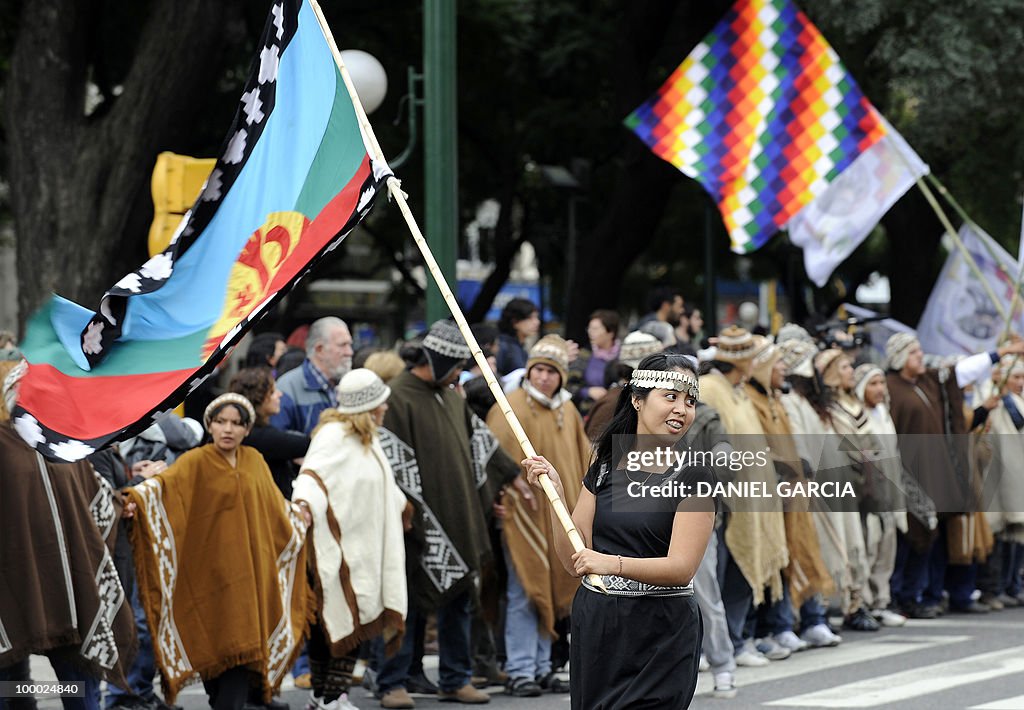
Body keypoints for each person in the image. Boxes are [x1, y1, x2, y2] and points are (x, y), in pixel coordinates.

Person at [523, 352, 715, 709]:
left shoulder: (695, 476)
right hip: (597, 623)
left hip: (661, 630)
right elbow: (575, 559)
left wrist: (612, 564)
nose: (681, 410)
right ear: (638, 400)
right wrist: (556, 496)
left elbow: (681, 568)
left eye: (690, 401)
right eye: (670, 396)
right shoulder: (606, 464)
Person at [124, 393, 313, 710]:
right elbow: (163, 490)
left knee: (242, 650)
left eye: (236, 424)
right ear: (209, 425)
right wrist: (134, 497)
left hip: (250, 579)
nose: (228, 429)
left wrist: (298, 514)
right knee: (216, 649)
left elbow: (274, 510)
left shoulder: (254, 461)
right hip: (209, 578)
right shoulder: (195, 461)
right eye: (220, 422)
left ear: (247, 429)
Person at [0, 362, 137, 710]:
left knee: (78, 687)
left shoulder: (68, 443)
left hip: (74, 591)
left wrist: (123, 504)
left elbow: (95, 500)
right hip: (15, 586)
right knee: (12, 687)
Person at [375, 321, 498, 707]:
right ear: (440, 359)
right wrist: (411, 512)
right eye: (457, 364)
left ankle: (455, 678)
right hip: (412, 521)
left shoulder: (451, 397)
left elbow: (480, 444)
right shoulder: (397, 397)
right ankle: (391, 682)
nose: (460, 373)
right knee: (406, 603)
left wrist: (513, 474)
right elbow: (392, 462)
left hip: (458, 517)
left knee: (458, 599)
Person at [293, 369, 412, 710]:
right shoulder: (333, 435)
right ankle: (327, 696)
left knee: (359, 615)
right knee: (335, 621)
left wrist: (402, 508)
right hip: (337, 548)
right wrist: (302, 506)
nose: (385, 409)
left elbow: (381, 482)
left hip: (367, 547)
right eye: (381, 404)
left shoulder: (368, 437)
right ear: (368, 406)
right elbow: (312, 478)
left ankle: (330, 696)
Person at [486, 335, 590, 697]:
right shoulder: (509, 407)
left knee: (553, 586)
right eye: (539, 370)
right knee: (524, 591)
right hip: (523, 516)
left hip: (558, 517)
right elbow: (492, 462)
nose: (544, 377)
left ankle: (543, 667)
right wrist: (500, 498)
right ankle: (519, 669)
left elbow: (582, 462)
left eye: (551, 371)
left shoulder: (569, 410)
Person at [229, 367, 310, 498]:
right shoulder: (256, 435)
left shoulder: (256, 432)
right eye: (272, 392)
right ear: (258, 399)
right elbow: (304, 444)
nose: (280, 394)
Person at [272, 317, 354, 435]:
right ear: (320, 349)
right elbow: (279, 443)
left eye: (350, 344)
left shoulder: (351, 385)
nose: (349, 352)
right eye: (342, 345)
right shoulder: (287, 388)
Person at [569, 309, 621, 415]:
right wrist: (587, 392)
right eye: (589, 328)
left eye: (596, 329)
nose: (590, 332)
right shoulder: (584, 355)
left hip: (617, 413)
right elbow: (569, 385)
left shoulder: (623, 354)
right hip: (589, 413)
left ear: (610, 332)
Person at [495, 298, 539, 376]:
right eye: (530, 318)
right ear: (515, 321)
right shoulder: (502, 346)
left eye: (536, 317)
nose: (536, 322)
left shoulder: (520, 346)